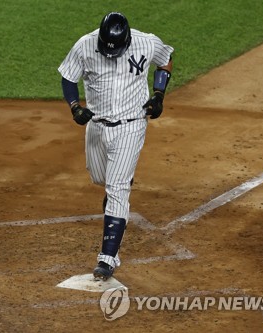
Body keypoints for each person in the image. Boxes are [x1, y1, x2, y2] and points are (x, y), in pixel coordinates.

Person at [58, 12, 174, 280]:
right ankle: (115, 189)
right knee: (100, 178)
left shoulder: (147, 43)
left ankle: (108, 258)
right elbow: (68, 77)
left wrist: (158, 94)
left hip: (131, 125)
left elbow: (166, 58)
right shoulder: (85, 45)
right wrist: (75, 107)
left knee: (118, 188)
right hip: (97, 125)